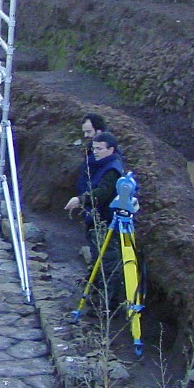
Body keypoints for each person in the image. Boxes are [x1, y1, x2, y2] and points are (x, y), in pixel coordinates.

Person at [66, 131, 127, 309]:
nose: (96, 152)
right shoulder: (99, 165)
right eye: (94, 148)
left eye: (99, 149)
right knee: (98, 260)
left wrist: (81, 200)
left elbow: (103, 192)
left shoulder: (112, 171)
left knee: (107, 263)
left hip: (106, 223)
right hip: (96, 220)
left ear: (111, 149)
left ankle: (107, 305)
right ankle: (95, 295)